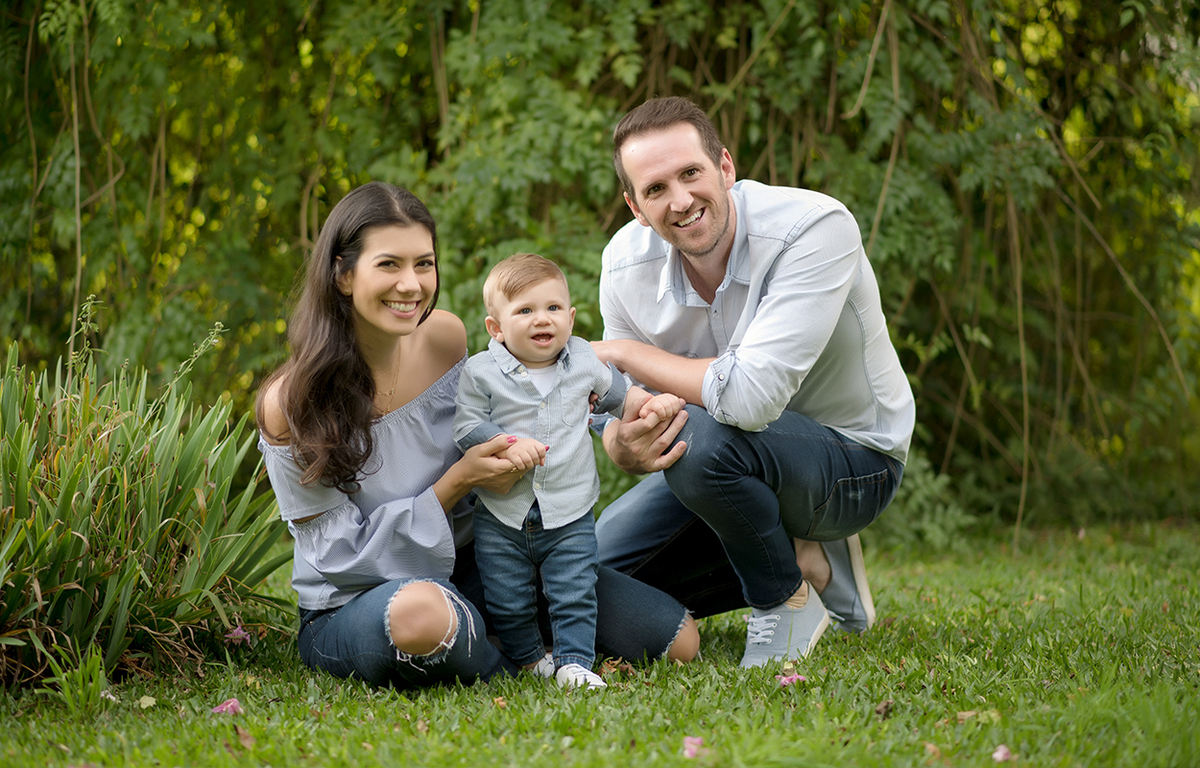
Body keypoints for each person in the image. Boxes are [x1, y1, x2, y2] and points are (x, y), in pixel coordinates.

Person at [255, 181, 699, 689]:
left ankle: (493, 633)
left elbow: (514, 403)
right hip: (358, 600)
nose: (411, 284)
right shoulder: (292, 403)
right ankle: (504, 659)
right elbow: (339, 559)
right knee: (422, 615)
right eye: (389, 264)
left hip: (484, 562)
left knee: (677, 639)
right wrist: (458, 482)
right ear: (342, 273)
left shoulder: (444, 337)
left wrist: (597, 420)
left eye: (424, 263)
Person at [591, 96, 915, 668]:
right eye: (656, 189)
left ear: (725, 167)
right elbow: (616, 403)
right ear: (635, 206)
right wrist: (621, 442)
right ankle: (802, 556)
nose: (681, 200)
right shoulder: (623, 264)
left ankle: (783, 597)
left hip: (853, 460)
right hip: (722, 460)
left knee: (703, 438)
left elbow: (747, 399)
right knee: (593, 574)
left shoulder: (813, 228)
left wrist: (625, 351)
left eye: (690, 173)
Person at [453, 252, 684, 689]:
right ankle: (527, 657)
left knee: (575, 589)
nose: (542, 319)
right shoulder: (481, 372)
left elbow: (620, 396)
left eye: (553, 308)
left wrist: (650, 404)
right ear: (496, 328)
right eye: (525, 311)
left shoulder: (581, 360)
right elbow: (465, 427)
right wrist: (506, 442)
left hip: (570, 507)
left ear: (572, 318)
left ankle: (575, 663)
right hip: (503, 512)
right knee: (508, 596)